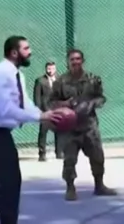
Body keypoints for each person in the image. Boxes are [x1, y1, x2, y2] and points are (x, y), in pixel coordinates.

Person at [0, 36, 64, 224]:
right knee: (9, 183)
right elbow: (6, 109)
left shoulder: (17, 75)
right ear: (14, 52)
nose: (30, 52)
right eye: (26, 48)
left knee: (11, 183)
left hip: (1, 134)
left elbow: (25, 104)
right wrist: (40, 117)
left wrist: (46, 115)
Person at [49, 48, 117, 201]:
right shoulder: (60, 82)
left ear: (83, 61)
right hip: (70, 127)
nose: (75, 62)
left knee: (97, 156)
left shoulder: (93, 79)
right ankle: (70, 188)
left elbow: (101, 98)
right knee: (69, 159)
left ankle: (99, 185)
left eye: (78, 59)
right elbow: (51, 102)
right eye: (72, 59)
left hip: (89, 126)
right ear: (67, 62)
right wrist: (65, 103)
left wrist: (91, 104)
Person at [32, 61, 62, 161]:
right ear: (46, 69)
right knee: (43, 132)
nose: (50, 70)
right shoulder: (40, 81)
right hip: (45, 111)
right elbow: (37, 97)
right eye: (49, 68)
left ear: (55, 69)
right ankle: (42, 154)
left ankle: (59, 152)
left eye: (52, 68)